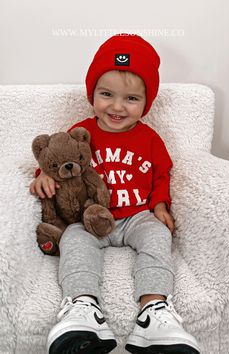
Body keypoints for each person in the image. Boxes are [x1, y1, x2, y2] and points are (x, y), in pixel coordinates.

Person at [30, 34, 200, 354]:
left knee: (158, 237)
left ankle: (153, 312)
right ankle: (83, 309)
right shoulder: (81, 132)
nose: (117, 107)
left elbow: (162, 173)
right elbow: (58, 159)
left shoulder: (150, 138)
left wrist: (160, 205)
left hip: (136, 216)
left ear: (146, 102)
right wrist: (42, 178)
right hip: (90, 218)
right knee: (74, 241)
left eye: (131, 99)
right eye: (106, 94)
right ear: (92, 93)